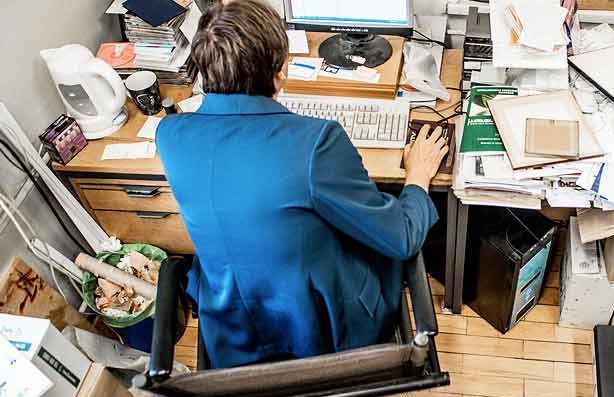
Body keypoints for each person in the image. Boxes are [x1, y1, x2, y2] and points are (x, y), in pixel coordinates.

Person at [156, 0, 448, 368]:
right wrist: (418, 175)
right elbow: (401, 238)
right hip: (324, 335)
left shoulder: (170, 135)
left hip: (232, 336)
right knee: (382, 221)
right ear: (281, 72)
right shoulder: (317, 142)